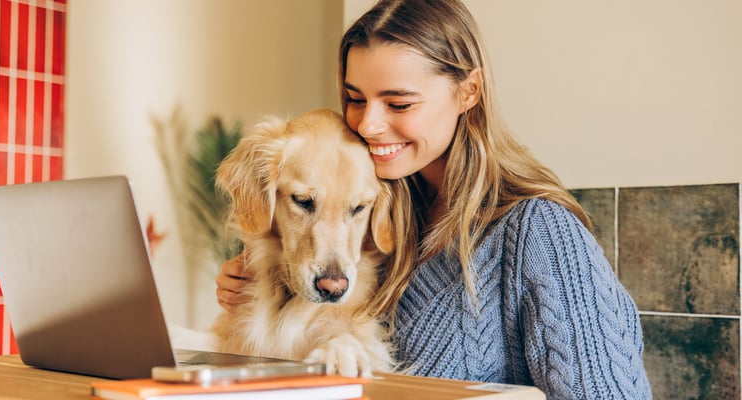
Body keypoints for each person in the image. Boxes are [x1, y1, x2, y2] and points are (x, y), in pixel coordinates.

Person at [215, 0, 652, 398]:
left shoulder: (540, 232)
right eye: (355, 98)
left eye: (398, 104)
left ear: (468, 92)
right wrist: (258, 286)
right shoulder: (381, 214)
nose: (368, 124)